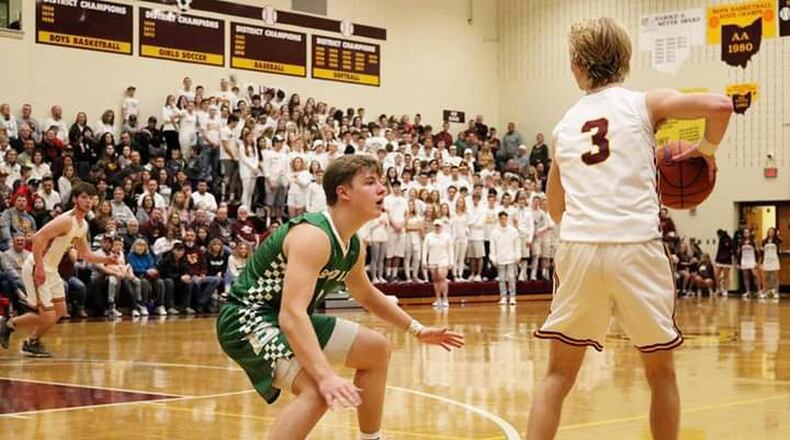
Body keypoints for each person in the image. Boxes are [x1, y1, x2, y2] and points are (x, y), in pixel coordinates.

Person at [527, 17, 732, 440]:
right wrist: (707, 152)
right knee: (660, 372)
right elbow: (721, 106)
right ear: (626, 60)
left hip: (580, 248)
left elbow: (554, 206)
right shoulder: (643, 102)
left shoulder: (564, 126)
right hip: (637, 247)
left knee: (557, 377)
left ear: (577, 67)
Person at [216, 155, 463, 440]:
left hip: (282, 319)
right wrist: (325, 376)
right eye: (370, 182)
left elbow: (366, 294)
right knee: (318, 392)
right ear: (343, 192)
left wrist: (417, 330)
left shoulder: (353, 244)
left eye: (381, 182)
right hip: (246, 320)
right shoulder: (312, 236)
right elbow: (291, 315)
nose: (382, 189)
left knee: (376, 350)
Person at [0, 182, 117, 357]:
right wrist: (39, 268)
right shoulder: (66, 220)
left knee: (61, 310)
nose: (88, 201)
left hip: (51, 270)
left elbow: (84, 254)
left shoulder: (82, 225)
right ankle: (8, 324)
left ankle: (32, 342)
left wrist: (106, 259)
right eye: (84, 197)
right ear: (75, 199)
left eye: (91, 198)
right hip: (36, 267)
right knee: (46, 315)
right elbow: (38, 238)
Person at [490, 211, 521, 305]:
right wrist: (493, 258)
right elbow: (492, 246)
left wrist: (518, 255)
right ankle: (503, 296)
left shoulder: (513, 231)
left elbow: (517, 244)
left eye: (505, 218)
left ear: (507, 219)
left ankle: (512, 297)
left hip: (511, 258)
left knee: (511, 278)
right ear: (499, 219)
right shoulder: (494, 232)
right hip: (500, 259)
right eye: (501, 219)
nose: (503, 221)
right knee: (502, 279)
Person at [422, 219, 454, 309]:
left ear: (442, 226)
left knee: (442, 278)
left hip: (443, 260)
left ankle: (445, 298)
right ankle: (438, 298)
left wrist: (451, 262)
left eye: (439, 226)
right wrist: (424, 261)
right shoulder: (429, 236)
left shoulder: (447, 236)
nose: (437, 227)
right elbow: (425, 249)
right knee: (435, 280)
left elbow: (450, 249)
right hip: (432, 260)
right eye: (436, 226)